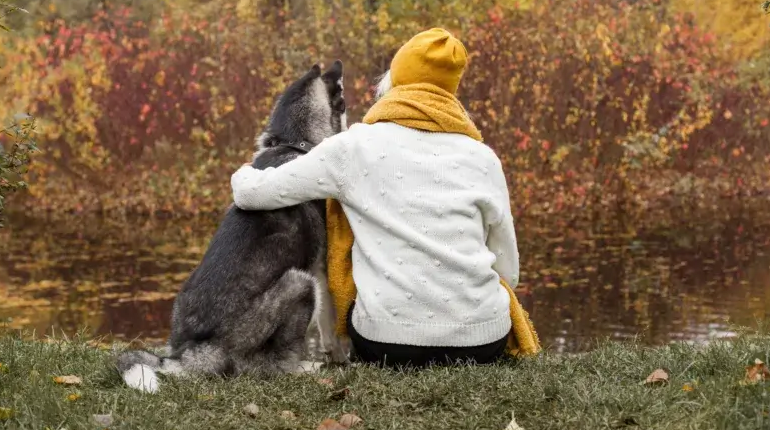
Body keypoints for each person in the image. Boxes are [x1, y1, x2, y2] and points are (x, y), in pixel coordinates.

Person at [230, 28, 539, 367]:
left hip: (386, 343)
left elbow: (252, 194)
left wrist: (247, 170)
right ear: (450, 89)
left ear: (395, 79)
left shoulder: (354, 147)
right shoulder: (483, 158)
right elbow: (507, 268)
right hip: (482, 342)